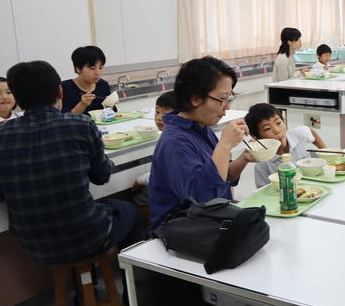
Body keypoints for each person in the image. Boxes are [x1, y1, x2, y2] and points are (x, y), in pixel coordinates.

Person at [0, 61, 143, 268]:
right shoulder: (79, 125)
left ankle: (86, 282)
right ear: (60, 92)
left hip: (34, 245)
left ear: (16, 99)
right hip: (86, 236)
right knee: (128, 210)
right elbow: (101, 177)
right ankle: (134, 281)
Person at [148, 56, 255, 234]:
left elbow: (221, 177)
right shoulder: (175, 141)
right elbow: (203, 200)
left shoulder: (201, 126)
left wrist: (243, 159)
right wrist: (224, 146)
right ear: (196, 99)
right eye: (222, 99)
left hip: (208, 223)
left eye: (229, 98)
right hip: (180, 233)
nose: (226, 107)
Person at [246, 103, 327, 187]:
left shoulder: (298, 134)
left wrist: (326, 152)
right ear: (258, 138)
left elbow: (310, 132)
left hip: (315, 186)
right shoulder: (262, 163)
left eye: (278, 123)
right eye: (267, 128)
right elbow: (262, 190)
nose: (277, 130)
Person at [133, 91, 177, 207]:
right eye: (157, 112)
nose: (159, 118)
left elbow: (162, 177)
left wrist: (140, 180)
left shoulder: (172, 141)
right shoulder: (173, 135)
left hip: (172, 198)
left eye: (165, 113)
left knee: (138, 198)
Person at [61, 45, 114, 114]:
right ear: (78, 69)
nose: (97, 72)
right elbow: (63, 118)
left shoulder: (103, 84)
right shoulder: (64, 88)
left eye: (100, 67)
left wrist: (109, 104)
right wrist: (83, 104)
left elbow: (112, 113)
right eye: (92, 68)